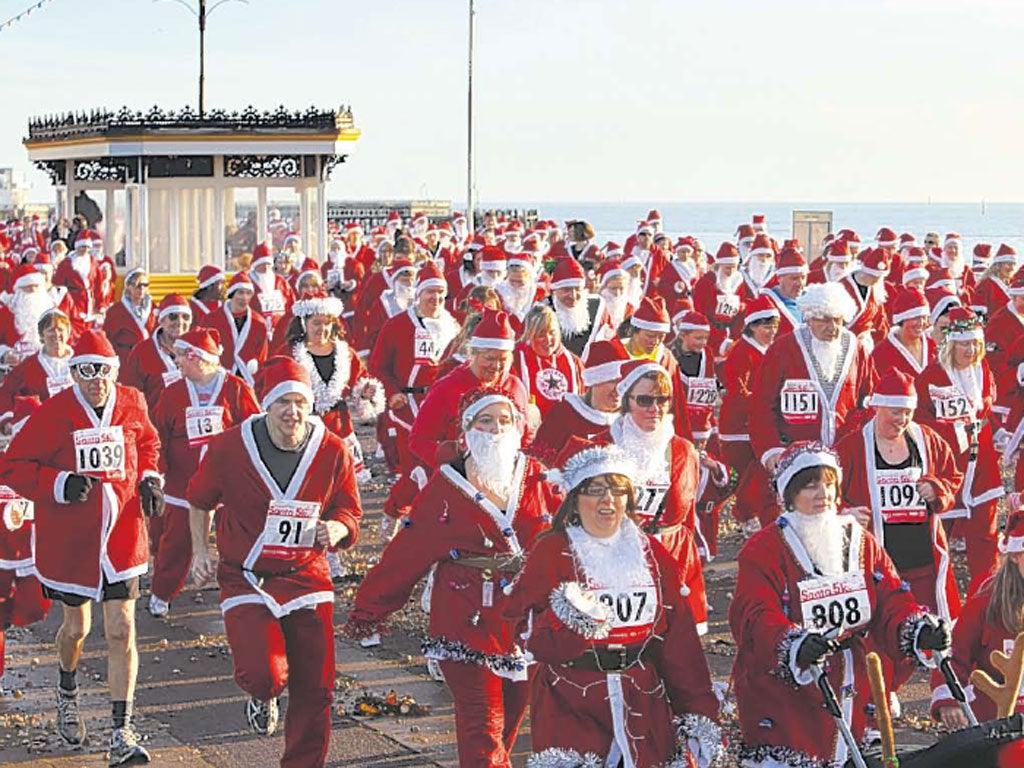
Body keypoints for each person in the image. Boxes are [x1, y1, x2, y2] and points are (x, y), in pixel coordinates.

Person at [344, 390, 556, 768]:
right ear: (466, 430)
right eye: (485, 421)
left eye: (504, 421)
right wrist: (369, 611)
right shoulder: (444, 487)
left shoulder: (537, 478)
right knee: (483, 729)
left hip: (523, 624)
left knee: (506, 726)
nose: (495, 429)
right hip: (464, 617)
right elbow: (406, 554)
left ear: (518, 427)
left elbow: (567, 541)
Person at [729, 441, 951, 768]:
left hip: (852, 685)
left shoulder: (859, 541)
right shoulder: (764, 548)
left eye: (829, 484)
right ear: (789, 494)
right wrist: (792, 643)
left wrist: (917, 628)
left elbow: (890, 596)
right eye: (810, 485)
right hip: (789, 694)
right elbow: (754, 614)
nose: (823, 494)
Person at [187, 356, 363, 768]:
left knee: (317, 687)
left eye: (300, 402)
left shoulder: (331, 450)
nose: (292, 411)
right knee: (266, 675)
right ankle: (262, 695)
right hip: (246, 575)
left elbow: (349, 511)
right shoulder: (231, 447)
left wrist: (337, 530)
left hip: (306, 575)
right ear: (266, 405)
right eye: (283, 402)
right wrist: (200, 550)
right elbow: (199, 500)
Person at [504, 442, 725, 767]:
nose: (608, 500)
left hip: (643, 705)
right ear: (575, 501)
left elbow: (680, 644)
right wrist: (568, 625)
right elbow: (519, 629)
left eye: (618, 490)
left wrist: (699, 712)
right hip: (571, 706)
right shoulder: (552, 551)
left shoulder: (652, 552)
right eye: (595, 490)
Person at [0, 329, 163, 765]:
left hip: (124, 535)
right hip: (74, 540)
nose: (97, 381)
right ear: (74, 374)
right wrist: (59, 483)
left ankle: (120, 731)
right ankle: (67, 688)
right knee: (77, 629)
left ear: (114, 372)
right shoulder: (55, 412)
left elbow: (147, 443)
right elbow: (12, 465)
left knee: (122, 628)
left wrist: (150, 478)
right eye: (87, 373)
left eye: (104, 372)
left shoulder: (132, 402)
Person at [597, 359, 722, 631]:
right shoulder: (602, 447)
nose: (655, 409)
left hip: (673, 555)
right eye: (644, 400)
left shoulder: (683, 450)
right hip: (615, 557)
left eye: (663, 400)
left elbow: (688, 516)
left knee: (676, 647)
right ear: (626, 400)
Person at [147, 328, 260, 618]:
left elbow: (254, 431)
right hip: (182, 483)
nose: (178, 362)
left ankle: (240, 593)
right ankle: (161, 592)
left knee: (235, 540)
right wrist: (157, 472)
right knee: (175, 543)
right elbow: (159, 434)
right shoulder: (173, 392)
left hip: (228, 484)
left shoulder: (235, 388)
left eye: (183, 356)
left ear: (198, 358)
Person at [837, 370, 964, 622]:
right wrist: (845, 513)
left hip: (924, 561)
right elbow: (827, 492)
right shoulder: (851, 446)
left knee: (930, 631)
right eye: (895, 412)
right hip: (878, 563)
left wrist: (938, 490)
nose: (902, 420)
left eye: (908, 413)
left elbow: (952, 476)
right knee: (886, 631)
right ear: (877, 407)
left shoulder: (927, 440)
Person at [915, 306, 1004, 593]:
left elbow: (985, 410)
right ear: (951, 343)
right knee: (938, 534)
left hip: (984, 465)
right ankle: (937, 595)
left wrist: (996, 430)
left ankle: (986, 596)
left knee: (986, 536)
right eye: (964, 343)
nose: (971, 349)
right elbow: (919, 423)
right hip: (949, 467)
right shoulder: (931, 376)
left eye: (975, 343)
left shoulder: (983, 370)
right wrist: (954, 429)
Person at [931, 508, 1024, 728]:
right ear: (1014, 556)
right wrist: (949, 701)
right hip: (998, 719)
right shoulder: (987, 600)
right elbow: (954, 653)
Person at [408, 309, 532, 471]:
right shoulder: (447, 387)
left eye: (503, 359)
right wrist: (453, 465)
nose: (496, 366)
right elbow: (419, 440)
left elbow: (527, 436)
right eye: (489, 358)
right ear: (473, 354)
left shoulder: (515, 386)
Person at [285, 291, 384, 483]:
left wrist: (366, 391)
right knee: (307, 482)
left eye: (327, 323)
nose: (322, 328)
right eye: (316, 323)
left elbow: (360, 381)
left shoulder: (345, 353)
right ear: (304, 323)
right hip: (303, 428)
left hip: (340, 426)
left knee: (342, 482)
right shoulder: (289, 354)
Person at [0, 397, 50, 693]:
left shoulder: (50, 463)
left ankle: (8, 620)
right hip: (1, 552)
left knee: (35, 608)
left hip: (34, 554)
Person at [720, 296, 781, 537]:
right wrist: (765, 404)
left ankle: (762, 517)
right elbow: (737, 391)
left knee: (762, 474)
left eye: (774, 326)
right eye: (766, 326)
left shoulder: (771, 351)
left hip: (761, 422)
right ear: (753, 327)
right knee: (746, 477)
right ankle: (746, 515)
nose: (771, 331)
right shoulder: (742, 352)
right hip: (739, 426)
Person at [529, 340, 627, 464]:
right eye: (612, 381)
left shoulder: (629, 419)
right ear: (594, 382)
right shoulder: (565, 413)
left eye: (623, 382)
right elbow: (541, 461)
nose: (618, 389)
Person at [121, 294, 193, 412]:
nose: (180, 322)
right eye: (173, 316)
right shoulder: (142, 352)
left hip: (190, 424)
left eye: (185, 317)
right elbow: (131, 395)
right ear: (162, 321)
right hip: (156, 424)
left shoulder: (199, 348)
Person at [511, 304, 582, 421]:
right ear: (529, 334)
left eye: (552, 332)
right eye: (540, 334)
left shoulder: (574, 362)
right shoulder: (516, 360)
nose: (548, 339)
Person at [200, 271, 269, 388]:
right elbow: (202, 349)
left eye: (248, 293)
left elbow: (262, 355)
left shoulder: (259, 322)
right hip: (219, 378)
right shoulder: (211, 320)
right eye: (240, 293)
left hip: (249, 378)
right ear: (232, 294)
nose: (244, 297)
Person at [0, 308, 73, 414]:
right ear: (42, 335)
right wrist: (8, 419)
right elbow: (6, 393)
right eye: (51, 330)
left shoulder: (80, 361)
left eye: (60, 329)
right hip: (42, 424)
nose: (56, 334)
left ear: (68, 332)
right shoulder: (28, 365)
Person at [692, 242, 745, 361]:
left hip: (732, 334)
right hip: (710, 336)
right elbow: (700, 315)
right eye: (727, 268)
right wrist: (720, 340)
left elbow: (742, 312)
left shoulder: (738, 282)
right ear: (719, 265)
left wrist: (736, 338)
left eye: (734, 267)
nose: (731, 272)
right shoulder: (706, 283)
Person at [0, 264, 61, 367]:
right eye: (27, 287)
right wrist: (4, 354)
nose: (32, 290)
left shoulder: (53, 312)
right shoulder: (6, 313)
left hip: (48, 369)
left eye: (36, 286)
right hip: (17, 371)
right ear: (18, 290)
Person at [545, 257, 605, 357]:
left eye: (577, 289)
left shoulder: (598, 307)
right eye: (566, 290)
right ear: (555, 291)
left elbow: (610, 341)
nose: (573, 296)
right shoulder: (543, 310)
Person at [870, 288, 934, 378]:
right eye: (915, 318)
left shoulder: (933, 346)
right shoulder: (882, 353)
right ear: (901, 319)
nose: (921, 323)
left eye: (924, 317)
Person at [103, 268, 156, 368]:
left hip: (149, 357)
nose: (141, 288)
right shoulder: (115, 311)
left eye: (145, 285)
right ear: (128, 286)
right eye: (137, 285)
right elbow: (107, 339)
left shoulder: (154, 309)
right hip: (126, 358)